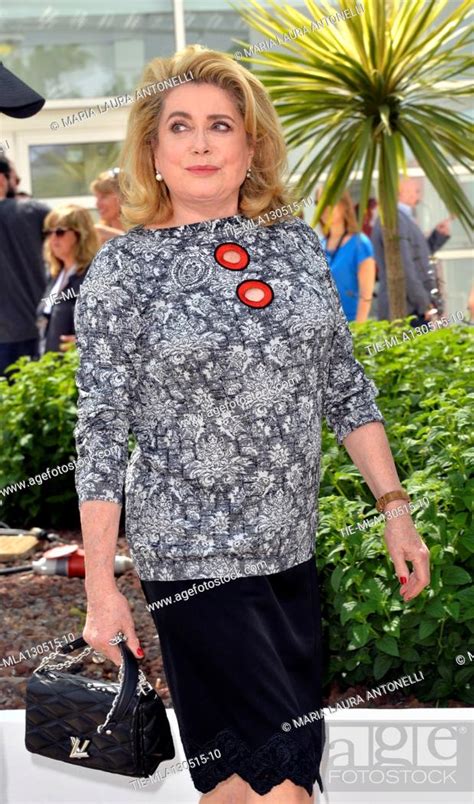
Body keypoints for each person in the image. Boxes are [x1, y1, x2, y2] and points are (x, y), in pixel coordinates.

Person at [74, 44, 430, 804]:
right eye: (180, 126)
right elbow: (101, 432)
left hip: (287, 550)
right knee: (286, 782)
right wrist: (101, 586)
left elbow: (347, 387)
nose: (201, 143)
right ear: (153, 150)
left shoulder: (297, 248)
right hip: (193, 558)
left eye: (220, 125)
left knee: (241, 782)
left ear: (251, 146)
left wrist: (396, 513)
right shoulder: (125, 268)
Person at [371, 176, 451, 325]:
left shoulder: (402, 218)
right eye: (416, 191)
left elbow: (417, 256)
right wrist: (423, 303)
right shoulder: (394, 219)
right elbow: (404, 266)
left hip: (411, 306)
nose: (419, 196)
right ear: (402, 192)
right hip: (406, 309)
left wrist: (437, 237)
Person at [0, 156, 50, 375]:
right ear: (3, 181)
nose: (18, 183)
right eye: (15, 178)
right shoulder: (34, 211)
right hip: (32, 332)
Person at [37, 205, 99, 354]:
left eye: (60, 232)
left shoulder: (94, 274)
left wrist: (87, 341)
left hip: (75, 367)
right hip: (50, 366)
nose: (52, 238)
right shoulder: (55, 275)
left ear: (81, 234)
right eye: (48, 232)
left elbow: (113, 325)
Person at [318, 189, 376, 322]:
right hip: (324, 331)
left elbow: (366, 297)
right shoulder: (318, 245)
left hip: (351, 326)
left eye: (329, 203)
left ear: (344, 206)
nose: (325, 208)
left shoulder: (360, 244)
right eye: (320, 203)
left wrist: (358, 333)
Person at [90, 167, 125, 245]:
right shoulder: (97, 236)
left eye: (104, 197)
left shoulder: (147, 230)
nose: (97, 204)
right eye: (96, 197)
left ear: (124, 196)